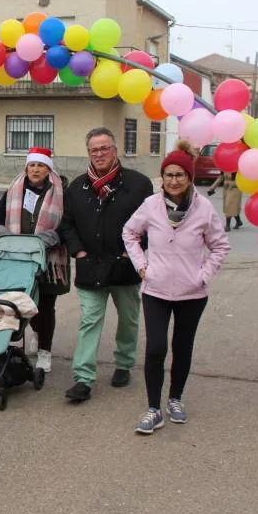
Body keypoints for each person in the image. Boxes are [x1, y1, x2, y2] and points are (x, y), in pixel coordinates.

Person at [122, 140, 230, 434]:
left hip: (192, 293)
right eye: (168, 175)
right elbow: (129, 233)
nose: (173, 180)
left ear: (190, 177)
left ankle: (175, 399)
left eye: (179, 175)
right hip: (155, 290)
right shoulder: (151, 205)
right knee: (156, 348)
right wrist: (142, 266)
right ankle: (153, 408)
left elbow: (220, 246)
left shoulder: (204, 208)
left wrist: (203, 275)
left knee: (182, 347)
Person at [58, 128, 154, 402]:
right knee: (89, 321)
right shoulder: (76, 188)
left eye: (104, 148)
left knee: (128, 319)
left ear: (115, 150)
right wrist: (78, 253)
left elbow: (151, 224)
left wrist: (132, 254)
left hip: (125, 267)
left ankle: (123, 363)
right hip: (90, 266)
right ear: (88, 153)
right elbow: (67, 224)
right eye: (94, 150)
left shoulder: (138, 185)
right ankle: (83, 378)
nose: (99, 154)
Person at [0, 147, 70, 373]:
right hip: (17, 258)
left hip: (48, 259)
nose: (35, 169)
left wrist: (54, 236)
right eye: (32, 165)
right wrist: (0, 231)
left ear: (48, 169)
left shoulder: (61, 192)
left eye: (41, 165)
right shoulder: (15, 190)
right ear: (26, 167)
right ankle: (35, 330)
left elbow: (68, 223)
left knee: (45, 305)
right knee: (22, 302)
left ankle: (45, 351)